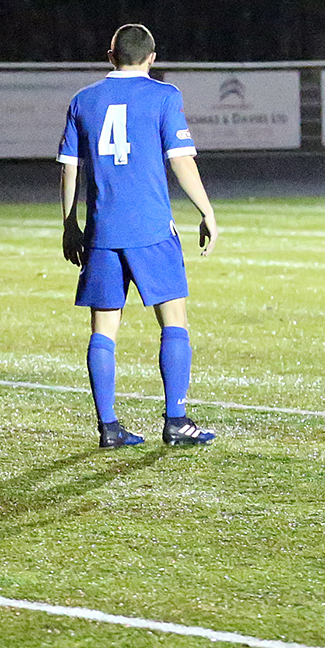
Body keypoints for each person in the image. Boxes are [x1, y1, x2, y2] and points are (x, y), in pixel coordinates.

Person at [57, 24, 218, 449]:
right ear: (152, 57)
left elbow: (69, 167)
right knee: (174, 322)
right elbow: (181, 160)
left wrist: (70, 223)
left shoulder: (83, 100)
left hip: (103, 231)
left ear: (110, 55)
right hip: (150, 229)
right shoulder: (165, 96)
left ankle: (108, 427)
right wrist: (206, 210)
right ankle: (177, 420)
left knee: (103, 329)